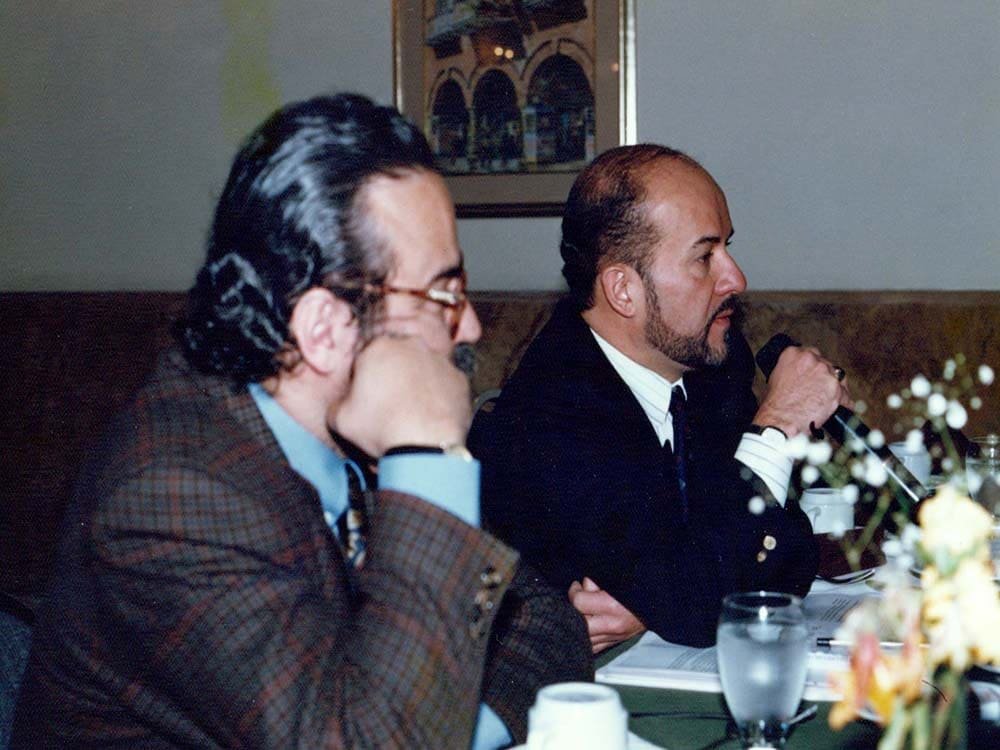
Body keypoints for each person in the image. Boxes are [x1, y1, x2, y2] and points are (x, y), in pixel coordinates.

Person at [13, 94, 591, 748]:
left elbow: (546, 622)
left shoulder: (348, 436)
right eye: (444, 294)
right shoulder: (174, 494)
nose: (472, 327)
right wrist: (428, 457)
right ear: (323, 329)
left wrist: (452, 723)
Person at [470, 144, 850, 650]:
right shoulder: (551, 413)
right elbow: (702, 593)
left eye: (727, 249)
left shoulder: (712, 366)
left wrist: (662, 601)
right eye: (704, 257)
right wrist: (778, 423)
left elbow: (789, 552)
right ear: (623, 290)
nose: (736, 279)